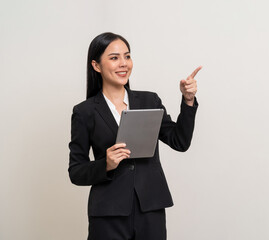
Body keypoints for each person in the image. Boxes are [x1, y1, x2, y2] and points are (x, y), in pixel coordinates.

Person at [68, 32, 201, 240]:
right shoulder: (84, 112)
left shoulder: (150, 101)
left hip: (150, 208)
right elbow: (76, 171)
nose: (123, 64)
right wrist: (106, 164)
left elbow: (180, 141)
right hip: (108, 213)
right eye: (114, 58)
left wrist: (188, 100)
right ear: (96, 65)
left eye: (127, 56)